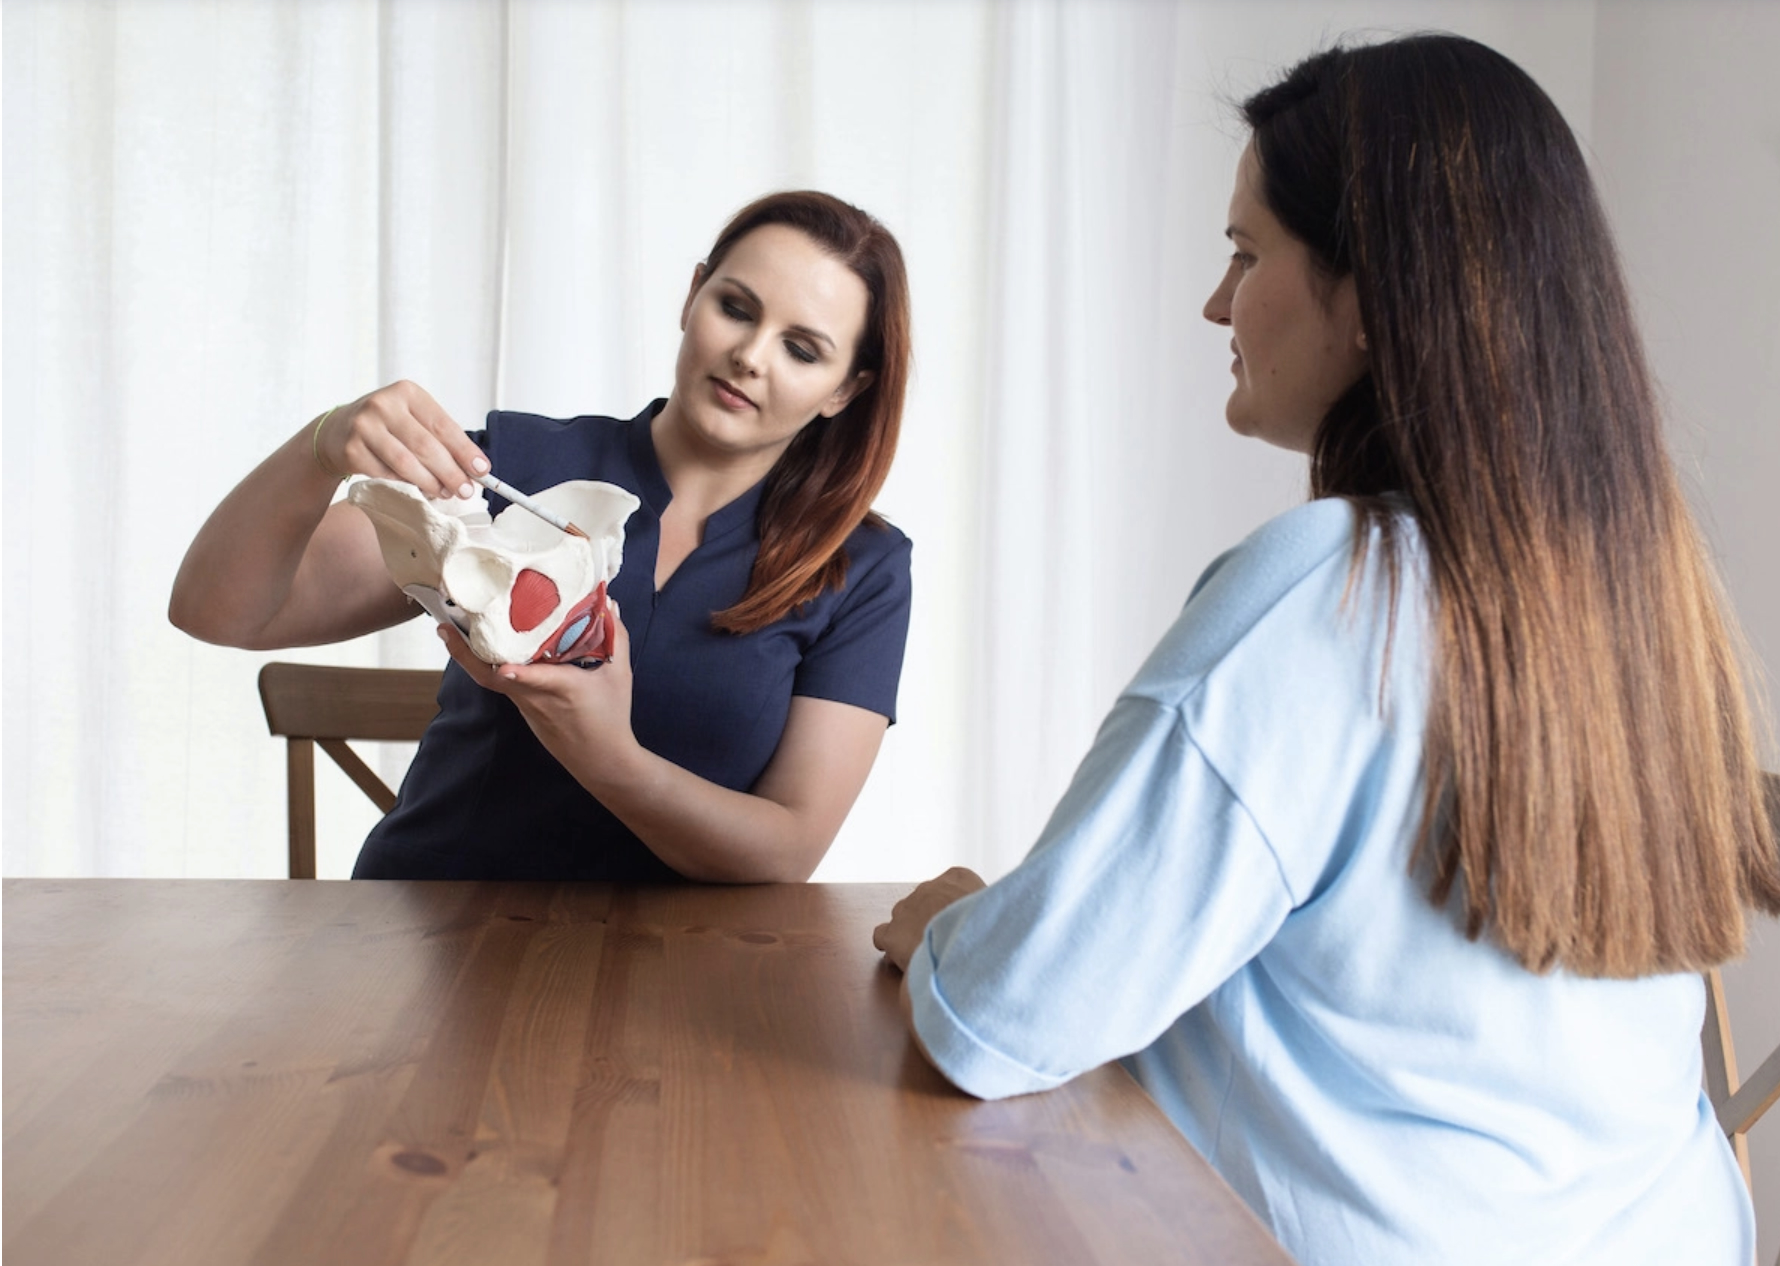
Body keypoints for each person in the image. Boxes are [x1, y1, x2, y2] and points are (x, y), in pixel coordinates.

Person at [873, 34, 1779, 1266]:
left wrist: (951, 929)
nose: (1215, 301)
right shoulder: (1650, 609)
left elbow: (1002, 1019)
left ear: (1369, 294)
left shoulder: (1327, 594)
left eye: (1246, 254)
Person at [171, 190, 913, 884]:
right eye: (736, 307)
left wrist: (609, 758)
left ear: (845, 390)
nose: (751, 355)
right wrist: (320, 447)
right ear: (692, 296)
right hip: (423, 952)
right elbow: (219, 612)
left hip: (682, 985)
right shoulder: (506, 473)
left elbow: (787, 849)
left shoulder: (864, 570)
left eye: (803, 350)